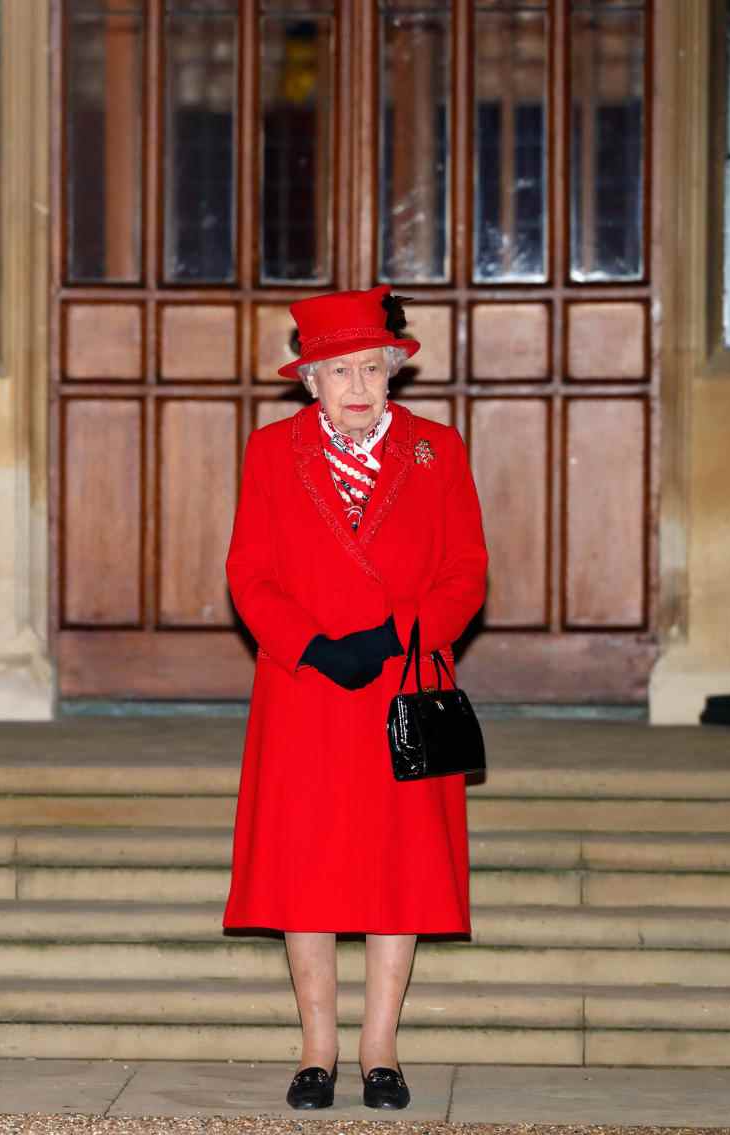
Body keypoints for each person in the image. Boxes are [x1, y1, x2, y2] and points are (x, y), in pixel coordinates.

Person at [223, 284, 488, 1110]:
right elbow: (249, 574)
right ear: (309, 381)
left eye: (372, 367)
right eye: (340, 371)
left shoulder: (437, 450)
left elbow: (467, 573)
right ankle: (316, 1048)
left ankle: (381, 1049)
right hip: (306, 691)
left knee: (397, 871)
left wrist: (393, 636)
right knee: (306, 869)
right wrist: (310, 647)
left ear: (392, 372)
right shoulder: (271, 452)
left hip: (402, 688)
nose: (359, 386)